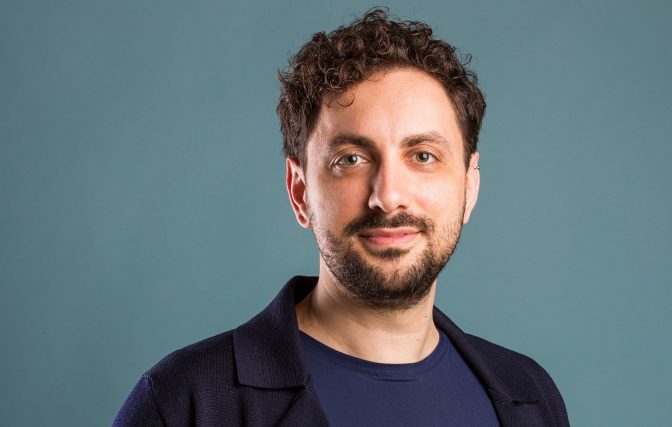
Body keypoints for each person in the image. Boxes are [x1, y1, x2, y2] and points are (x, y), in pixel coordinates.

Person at [114, 9, 569, 427]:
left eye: (424, 155)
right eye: (351, 159)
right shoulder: (183, 402)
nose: (388, 196)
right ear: (299, 191)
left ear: (469, 187)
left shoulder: (531, 396)